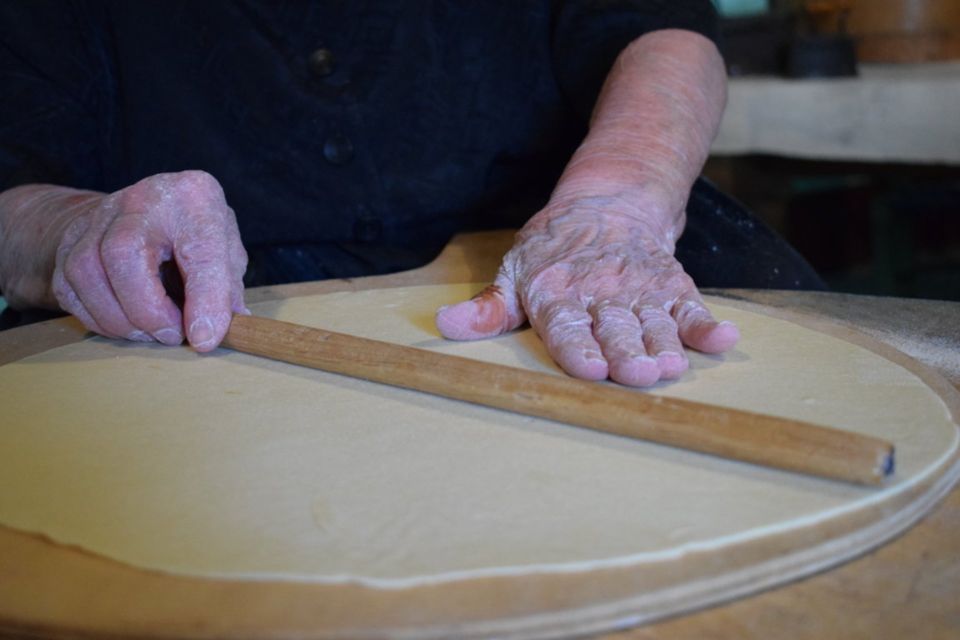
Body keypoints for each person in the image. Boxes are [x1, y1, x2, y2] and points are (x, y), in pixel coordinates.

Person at [0, 1, 822, 387]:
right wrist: (73, 227)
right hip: (202, 303)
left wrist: (615, 205)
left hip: (551, 246)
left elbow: (665, 34)